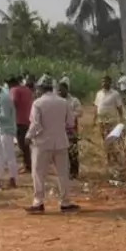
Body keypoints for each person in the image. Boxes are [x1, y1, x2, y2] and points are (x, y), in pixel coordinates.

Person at [26, 77, 77, 214]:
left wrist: (28, 136)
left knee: (38, 173)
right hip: (60, 141)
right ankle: (65, 202)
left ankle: (38, 202)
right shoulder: (63, 102)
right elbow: (71, 123)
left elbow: (36, 124)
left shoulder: (38, 103)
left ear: (41, 88)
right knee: (62, 174)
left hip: (42, 143)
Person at [94, 75, 125, 167]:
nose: (104, 83)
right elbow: (96, 107)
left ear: (110, 83)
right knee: (105, 141)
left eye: (106, 81)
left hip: (112, 122)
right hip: (101, 122)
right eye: (102, 81)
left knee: (111, 141)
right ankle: (108, 159)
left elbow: (119, 108)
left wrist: (121, 119)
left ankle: (115, 159)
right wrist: (94, 119)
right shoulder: (98, 93)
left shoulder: (115, 94)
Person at [10, 76, 34, 174]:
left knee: (22, 144)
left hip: (19, 120)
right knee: (26, 144)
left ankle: (27, 164)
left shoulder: (14, 90)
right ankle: (28, 163)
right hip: (28, 119)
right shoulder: (27, 90)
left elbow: (13, 103)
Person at [59, 80, 82, 180]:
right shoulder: (57, 101)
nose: (60, 92)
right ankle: (65, 172)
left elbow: (80, 112)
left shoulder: (74, 100)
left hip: (72, 130)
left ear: (67, 90)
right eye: (59, 90)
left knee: (73, 152)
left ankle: (74, 172)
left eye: (62, 90)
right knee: (62, 152)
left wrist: (69, 116)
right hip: (60, 130)